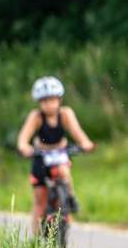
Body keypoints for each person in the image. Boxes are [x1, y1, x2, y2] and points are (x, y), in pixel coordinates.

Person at [16, 76, 96, 234]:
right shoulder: (36, 117)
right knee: (40, 200)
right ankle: (37, 238)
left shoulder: (65, 114)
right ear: (39, 102)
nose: (49, 104)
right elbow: (23, 139)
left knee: (64, 171)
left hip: (60, 153)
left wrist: (86, 144)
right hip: (41, 156)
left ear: (59, 99)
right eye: (44, 101)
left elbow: (77, 132)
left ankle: (69, 200)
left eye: (52, 100)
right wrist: (25, 148)